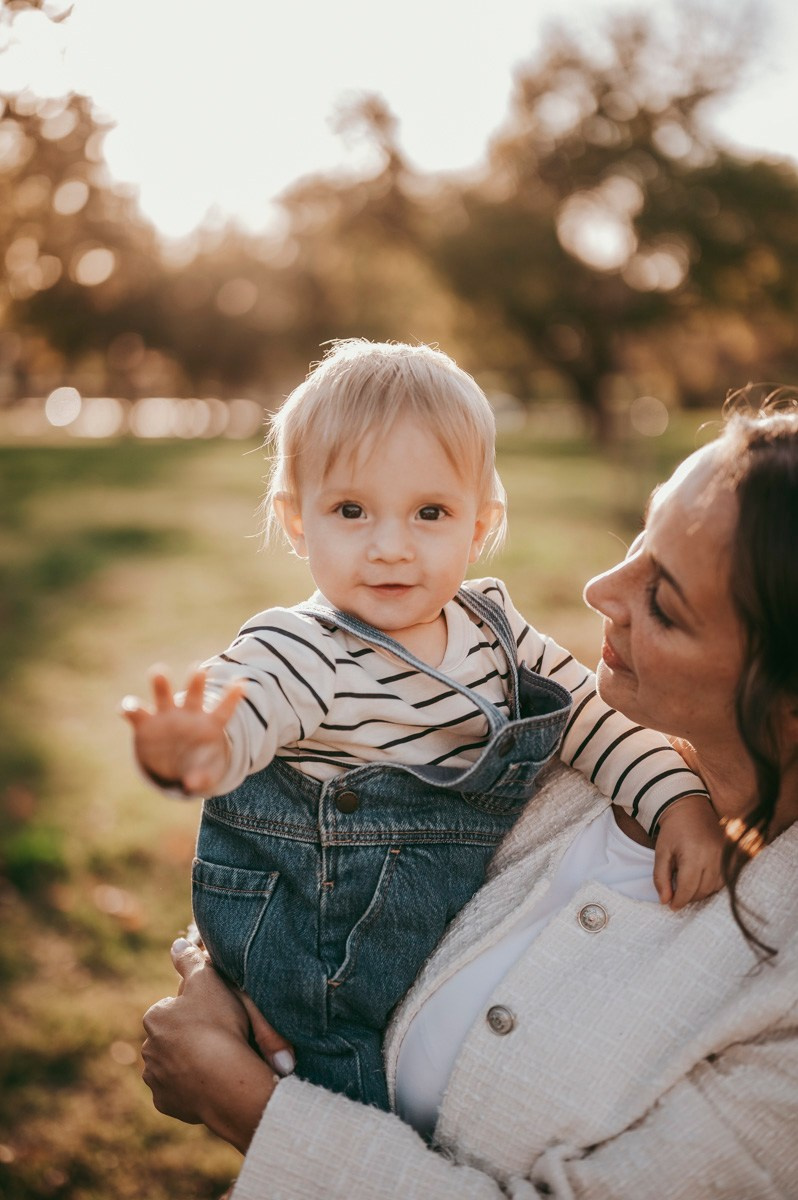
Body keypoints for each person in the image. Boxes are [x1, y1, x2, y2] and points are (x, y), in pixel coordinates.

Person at [140, 397, 798, 1198]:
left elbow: (596, 730)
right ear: (296, 520)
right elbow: (265, 721)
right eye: (639, 539)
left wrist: (244, 1101)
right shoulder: (342, 659)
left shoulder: (779, 993)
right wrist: (202, 749)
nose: (598, 589)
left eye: (664, 601)